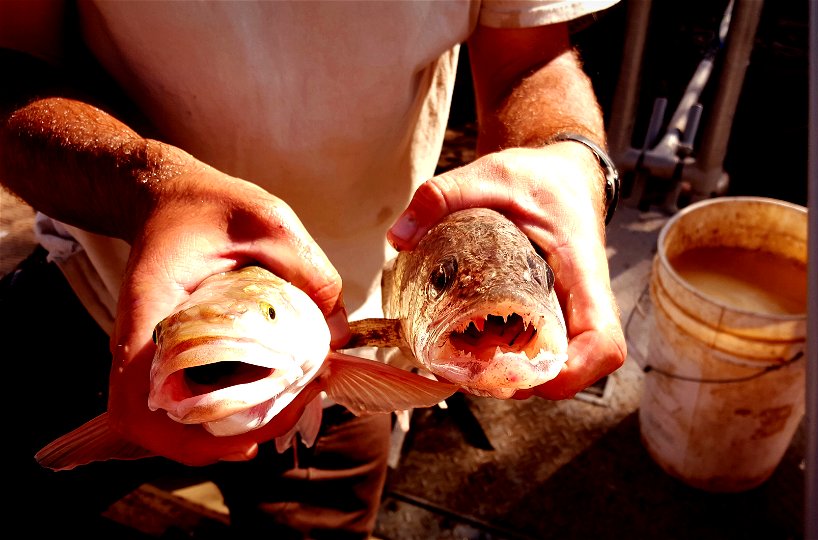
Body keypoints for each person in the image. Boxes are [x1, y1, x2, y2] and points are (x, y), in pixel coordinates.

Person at [0, 1, 626, 538]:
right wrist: (143, 187)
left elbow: (529, 54)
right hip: (101, 309)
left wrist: (573, 161)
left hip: (350, 358)